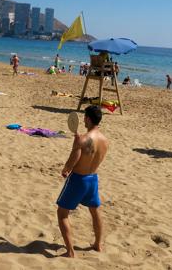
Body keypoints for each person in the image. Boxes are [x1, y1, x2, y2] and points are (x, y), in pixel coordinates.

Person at [56, 105, 108, 258]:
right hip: (93, 179)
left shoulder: (83, 139)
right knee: (95, 210)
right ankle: (98, 244)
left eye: (85, 117)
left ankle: (70, 252)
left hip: (78, 180)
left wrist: (65, 169)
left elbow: (74, 159)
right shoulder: (105, 140)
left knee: (62, 214)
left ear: (88, 119)